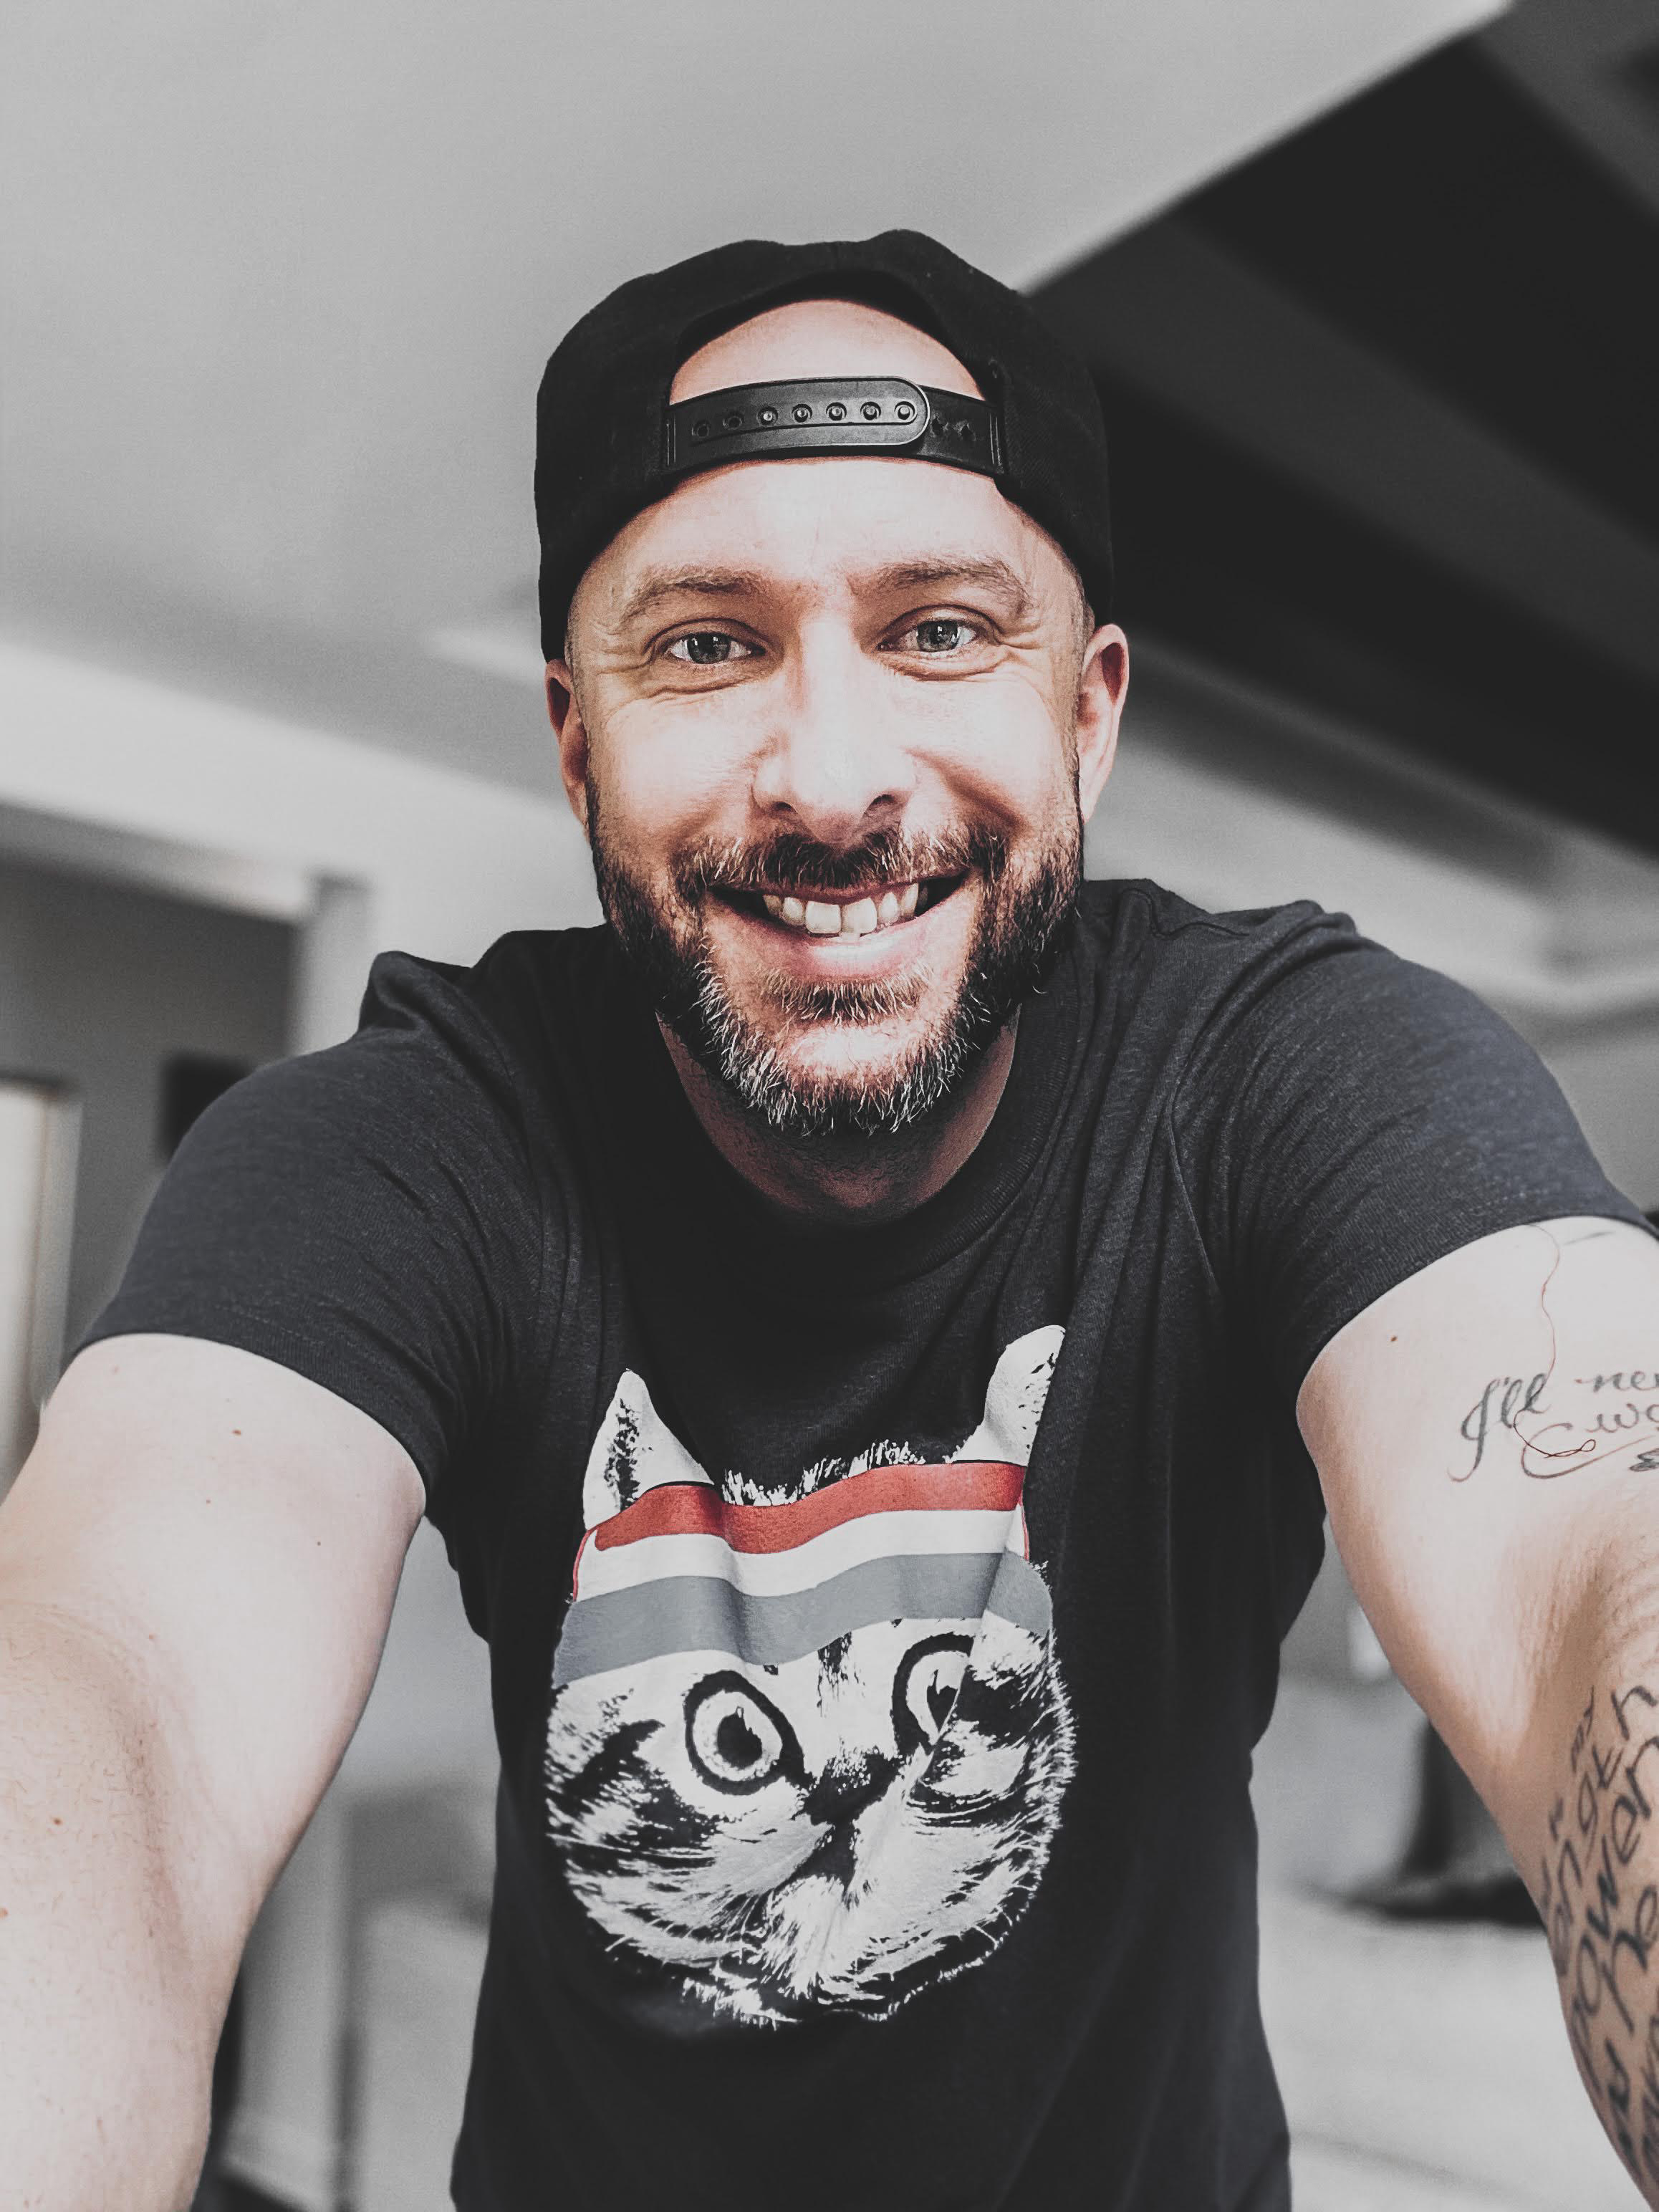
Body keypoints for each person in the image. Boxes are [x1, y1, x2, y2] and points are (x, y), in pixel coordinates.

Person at [2, 231, 1658, 2212]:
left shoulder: (1294, 1073)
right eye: (707, 647)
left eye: (940, 629)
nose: (834, 780)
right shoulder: (406, 1143)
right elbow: (118, 1675)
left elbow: (1588, 1541)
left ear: (1088, 715)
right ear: (577, 741)